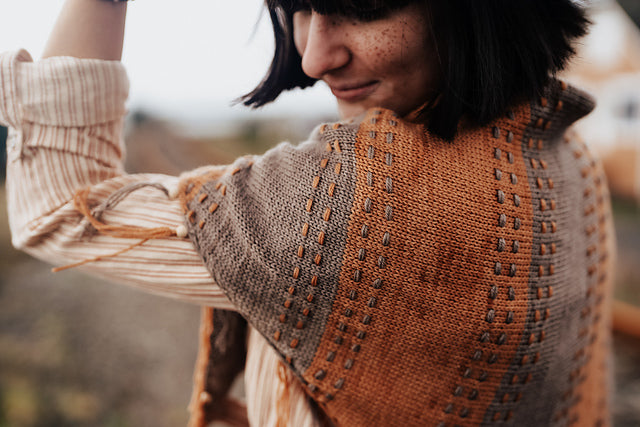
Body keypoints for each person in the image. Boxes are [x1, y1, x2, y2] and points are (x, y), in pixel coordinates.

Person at [1, 0, 615, 426]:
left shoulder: (356, 200)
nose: (316, 56)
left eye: (365, 6)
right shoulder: (564, 145)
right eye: (300, 7)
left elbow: (59, 208)